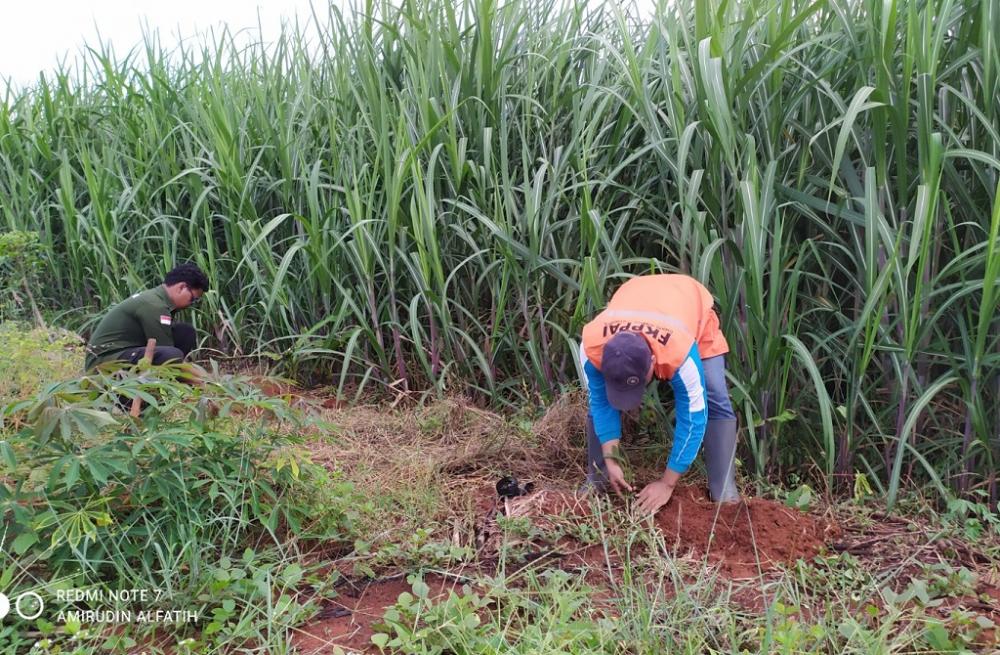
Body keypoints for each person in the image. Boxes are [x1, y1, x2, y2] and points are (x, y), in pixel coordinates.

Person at [579, 273, 739, 514]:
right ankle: (599, 477)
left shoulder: (680, 352)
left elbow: (694, 416)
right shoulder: (592, 348)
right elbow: (601, 404)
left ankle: (723, 487)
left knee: (714, 396)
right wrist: (611, 459)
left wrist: (667, 483)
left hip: (689, 304)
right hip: (637, 294)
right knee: (598, 402)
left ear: (654, 362)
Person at [84, 263, 208, 372]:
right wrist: (204, 379)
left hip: (122, 354)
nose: (191, 304)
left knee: (184, 333)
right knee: (171, 354)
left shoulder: (157, 300)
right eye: (193, 299)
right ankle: (155, 385)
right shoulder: (155, 305)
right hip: (102, 365)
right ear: (181, 287)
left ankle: (162, 381)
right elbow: (170, 358)